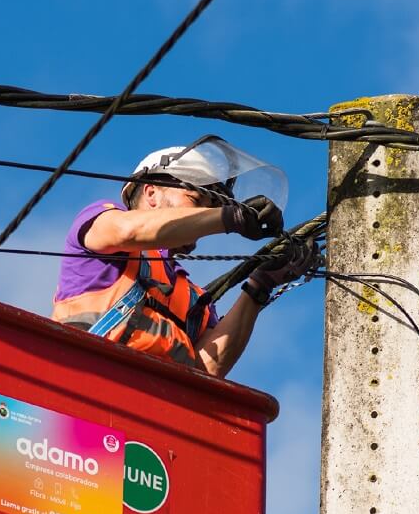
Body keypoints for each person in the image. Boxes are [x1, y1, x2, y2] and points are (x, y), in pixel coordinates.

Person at [53, 138, 313, 378]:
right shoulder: (103, 224)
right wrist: (230, 218)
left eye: (211, 207)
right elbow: (128, 230)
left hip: (154, 408)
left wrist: (261, 284)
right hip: (82, 383)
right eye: (196, 199)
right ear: (152, 193)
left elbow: (207, 369)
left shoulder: (194, 299)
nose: (204, 214)